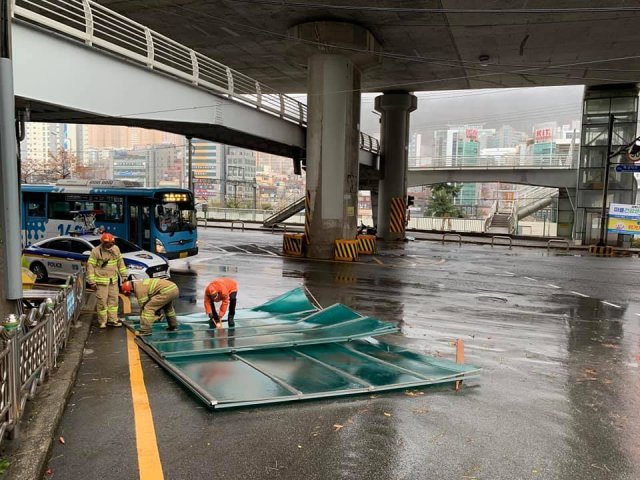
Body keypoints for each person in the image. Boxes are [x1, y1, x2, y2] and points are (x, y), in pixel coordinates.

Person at [87, 232, 127, 329]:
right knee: (102, 302)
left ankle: (112, 320)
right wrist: (92, 282)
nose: (110, 245)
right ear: (102, 243)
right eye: (107, 244)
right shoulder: (96, 251)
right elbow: (90, 267)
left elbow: (120, 263)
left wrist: (124, 276)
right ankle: (102, 321)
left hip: (113, 281)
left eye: (111, 243)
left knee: (113, 302)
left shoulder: (116, 249)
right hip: (101, 282)